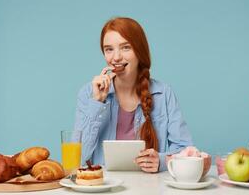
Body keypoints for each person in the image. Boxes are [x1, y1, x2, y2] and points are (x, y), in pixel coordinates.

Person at [74, 17, 193, 172]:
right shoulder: (88, 93)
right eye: (109, 49)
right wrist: (97, 102)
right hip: (103, 186)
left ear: (139, 51)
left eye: (125, 47)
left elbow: (186, 151)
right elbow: (77, 159)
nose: (116, 57)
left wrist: (162, 162)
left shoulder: (163, 94)